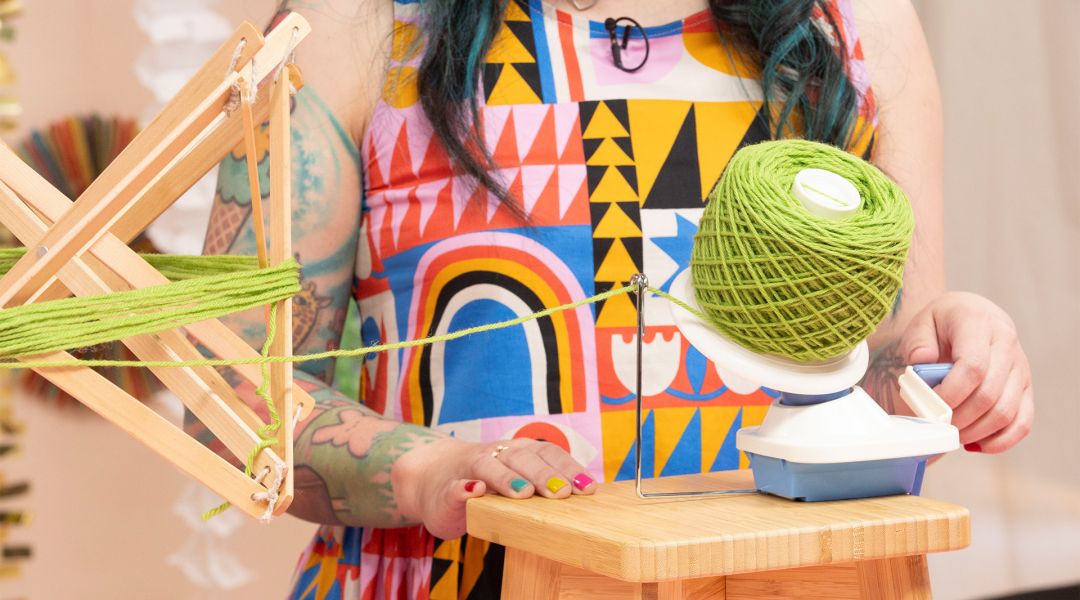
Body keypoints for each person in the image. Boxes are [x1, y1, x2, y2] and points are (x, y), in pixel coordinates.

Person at [195, 0, 1034, 597]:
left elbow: (883, 369)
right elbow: (227, 393)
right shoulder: (352, 24)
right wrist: (429, 472)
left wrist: (948, 359)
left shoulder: (854, 27)